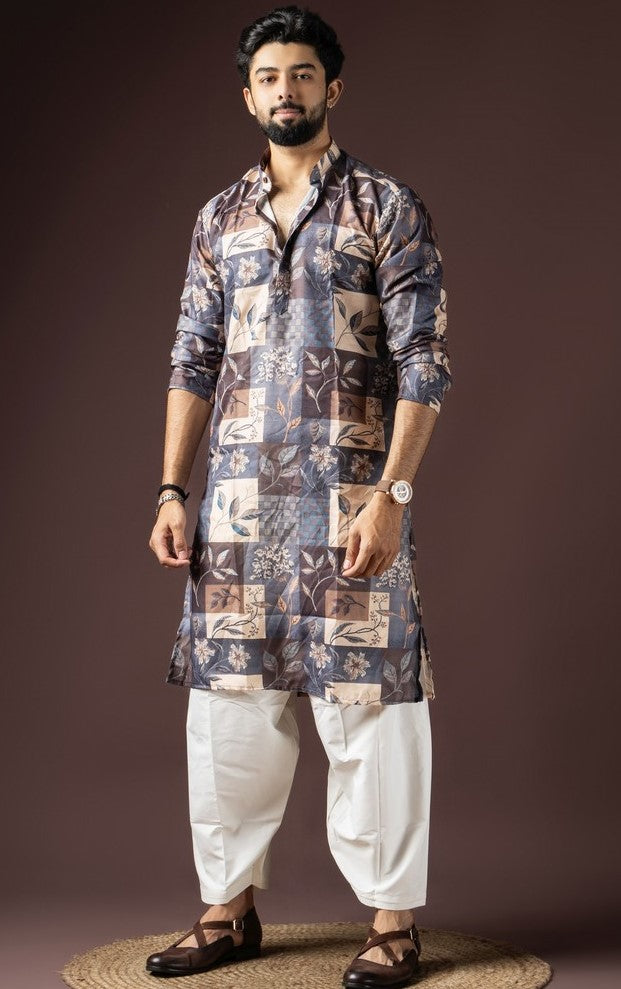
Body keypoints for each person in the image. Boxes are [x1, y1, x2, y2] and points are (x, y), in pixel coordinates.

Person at [146, 5, 452, 986]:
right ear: (249, 96)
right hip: (237, 508)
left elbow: (425, 360)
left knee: (375, 712)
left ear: (333, 88)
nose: (287, 90)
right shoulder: (218, 220)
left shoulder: (384, 207)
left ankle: (392, 921)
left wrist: (393, 493)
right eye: (270, 76)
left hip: (349, 501)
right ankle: (226, 911)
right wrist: (172, 488)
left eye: (304, 74)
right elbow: (192, 358)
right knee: (227, 713)